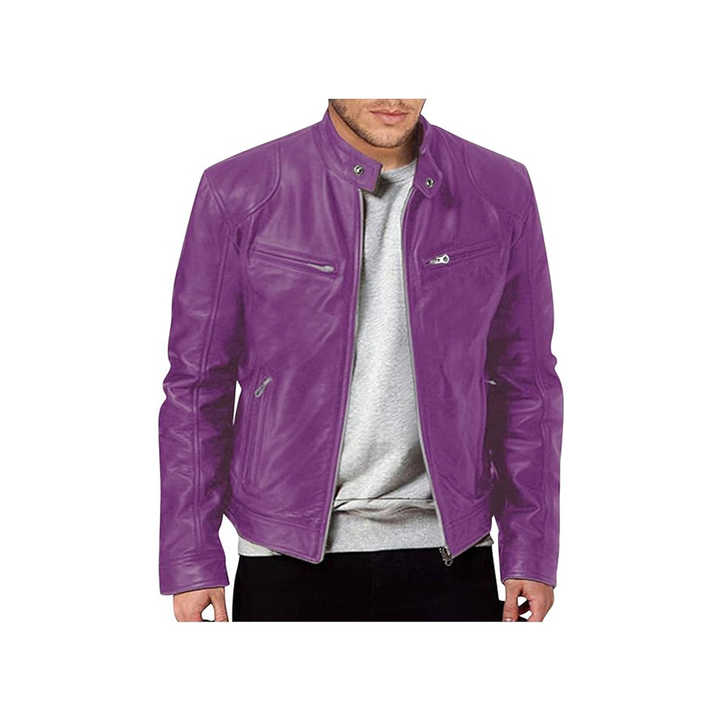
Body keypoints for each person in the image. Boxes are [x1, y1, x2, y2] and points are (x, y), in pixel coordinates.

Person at [158, 99, 563, 621]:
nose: (392, 97)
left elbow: (526, 382)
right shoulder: (241, 189)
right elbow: (196, 386)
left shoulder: (498, 188)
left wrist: (531, 549)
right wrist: (192, 558)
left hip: (449, 552)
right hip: (285, 554)